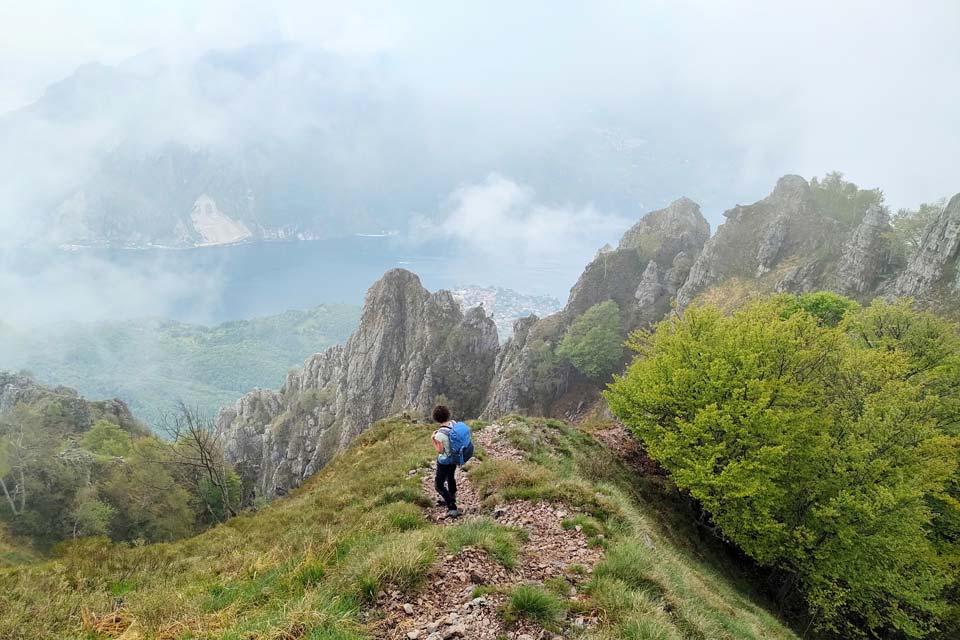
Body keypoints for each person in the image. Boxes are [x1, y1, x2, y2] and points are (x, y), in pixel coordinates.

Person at [431, 404, 472, 518]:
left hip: (444, 461)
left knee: (439, 485)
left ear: (436, 418)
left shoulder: (439, 435)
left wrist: (433, 440)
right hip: (455, 458)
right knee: (450, 477)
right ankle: (452, 495)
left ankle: (452, 506)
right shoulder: (453, 424)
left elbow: (440, 451)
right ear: (448, 414)